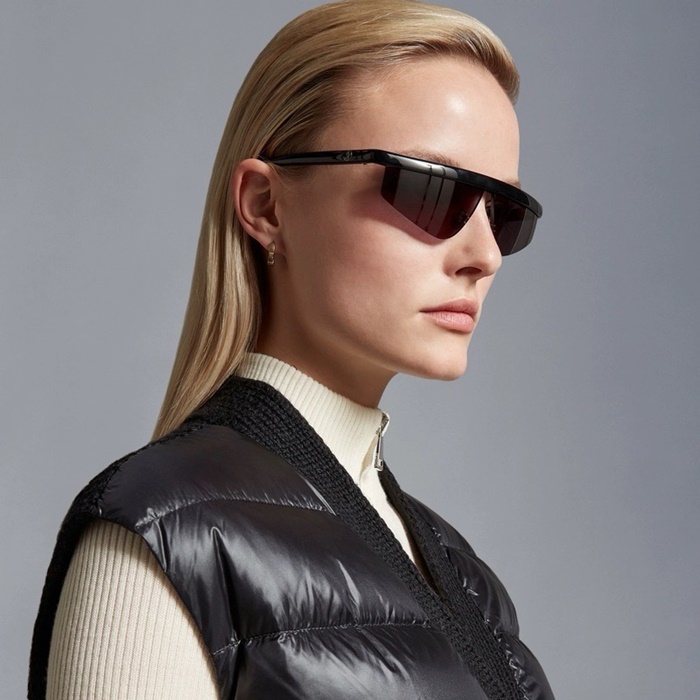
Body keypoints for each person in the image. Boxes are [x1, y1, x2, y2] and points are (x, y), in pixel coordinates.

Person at [29, 0, 553, 698]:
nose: (483, 255)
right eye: (431, 189)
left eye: (504, 212)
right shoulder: (166, 533)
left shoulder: (468, 582)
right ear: (266, 205)